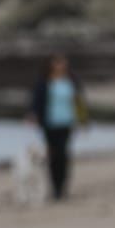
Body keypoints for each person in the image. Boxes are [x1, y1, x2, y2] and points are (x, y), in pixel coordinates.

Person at [26, 53, 89, 201]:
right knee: (52, 155)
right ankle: (54, 187)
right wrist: (32, 114)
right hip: (49, 123)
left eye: (62, 62)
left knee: (63, 154)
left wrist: (83, 120)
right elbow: (37, 100)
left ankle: (62, 187)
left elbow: (79, 102)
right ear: (51, 64)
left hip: (67, 123)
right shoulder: (44, 81)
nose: (60, 65)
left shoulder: (72, 81)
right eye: (57, 62)